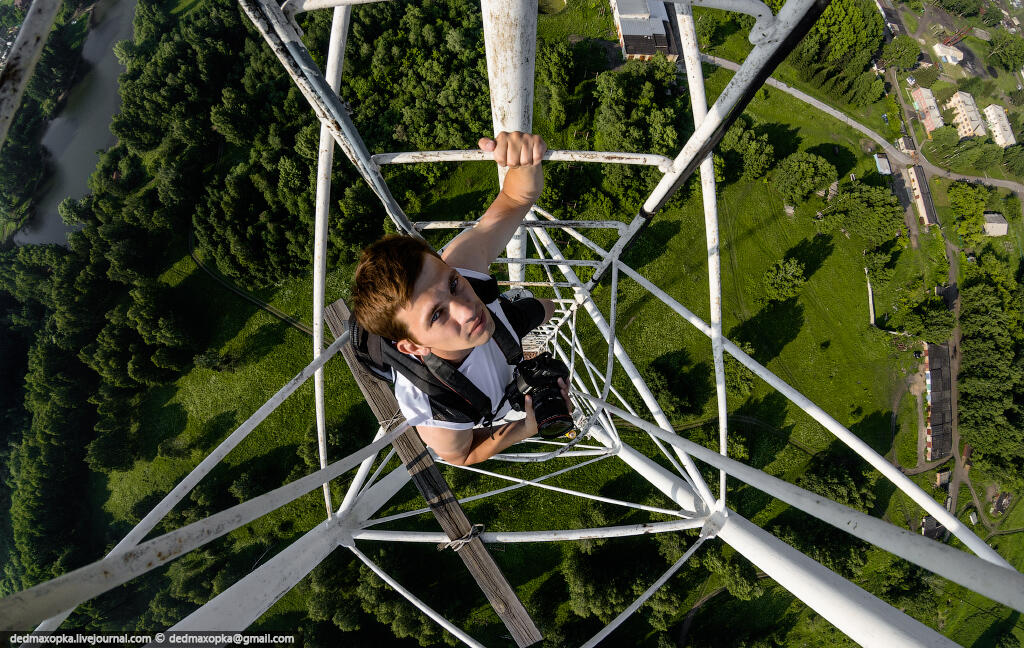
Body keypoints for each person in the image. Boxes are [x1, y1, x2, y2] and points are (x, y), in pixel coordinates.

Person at [351, 132, 570, 466]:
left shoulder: (462, 267)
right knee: (535, 310)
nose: (467, 308)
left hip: (500, 330)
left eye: (452, 284)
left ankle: (519, 314)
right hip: (485, 366)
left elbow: (514, 199)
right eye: (437, 315)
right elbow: (464, 454)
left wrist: (522, 160)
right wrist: (525, 427)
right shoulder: (437, 408)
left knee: (548, 307)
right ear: (413, 347)